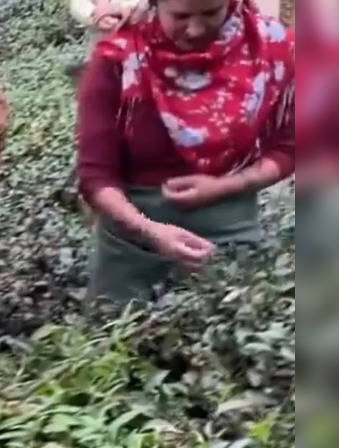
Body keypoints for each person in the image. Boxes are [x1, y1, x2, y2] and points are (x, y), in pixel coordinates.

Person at [76, 0, 294, 306]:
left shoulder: (268, 47)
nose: (195, 29)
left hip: (230, 232)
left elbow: (289, 146)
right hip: (132, 245)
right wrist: (149, 230)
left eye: (210, 13)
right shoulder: (120, 57)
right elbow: (95, 176)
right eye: (180, 16)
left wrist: (223, 186)